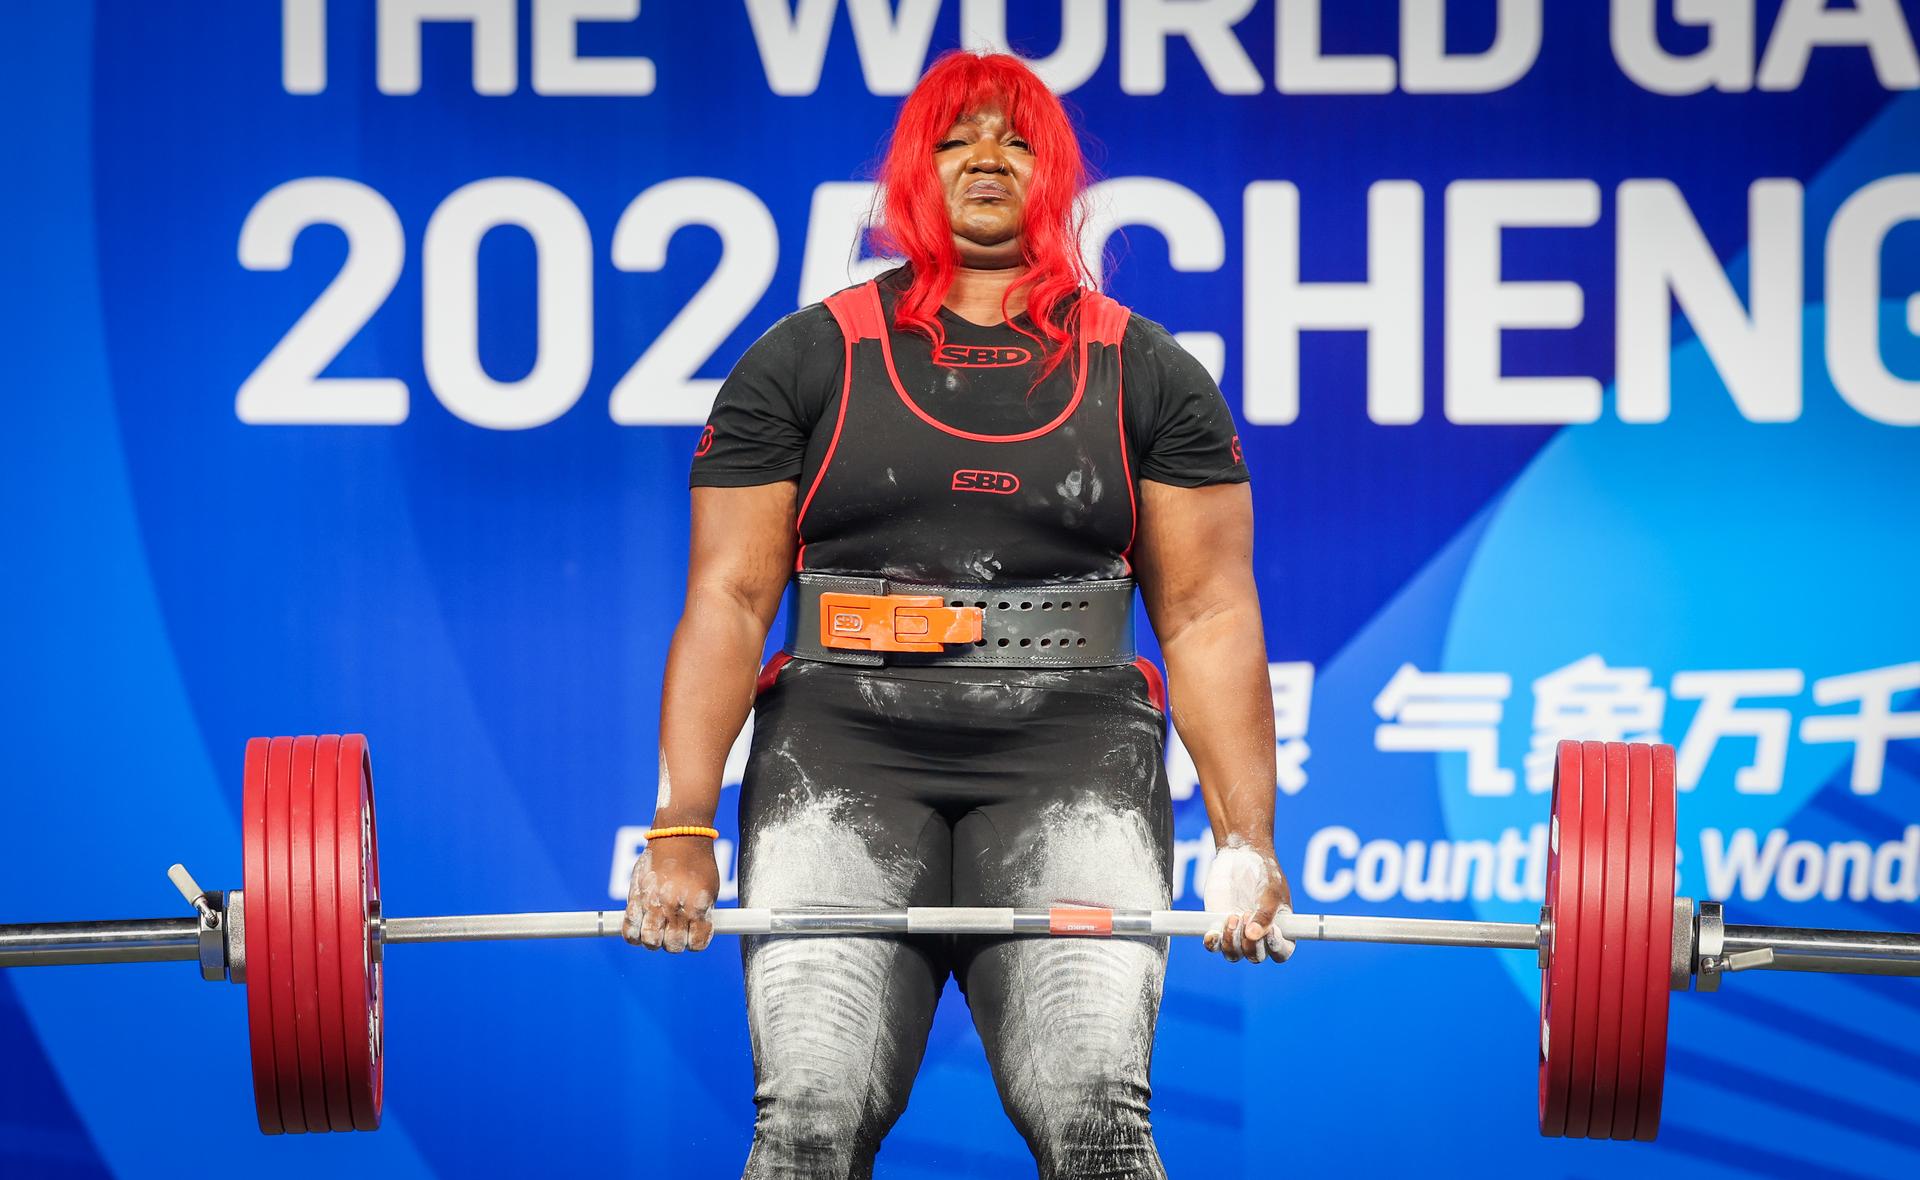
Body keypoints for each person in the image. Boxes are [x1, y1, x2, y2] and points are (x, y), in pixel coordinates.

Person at [623, 50, 1293, 1179]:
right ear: (910, 176)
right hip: (841, 750)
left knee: (1098, 1125)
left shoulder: (1149, 373)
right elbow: (732, 598)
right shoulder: (803, 360)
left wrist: (1247, 840)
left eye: (1018, 137)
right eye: (955, 137)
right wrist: (684, 824)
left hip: (1073, 755)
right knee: (807, 1126)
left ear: (1059, 175)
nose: (988, 157)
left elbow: (1210, 614)